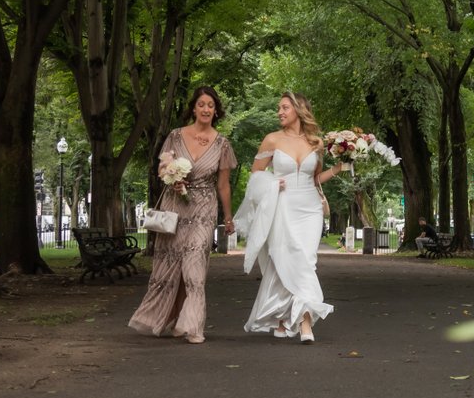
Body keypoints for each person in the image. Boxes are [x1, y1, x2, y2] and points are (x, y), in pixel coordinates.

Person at [128, 85, 238, 344]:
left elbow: (223, 185)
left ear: (216, 110)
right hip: (175, 206)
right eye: (201, 104)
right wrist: (171, 178)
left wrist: (229, 218)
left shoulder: (222, 144)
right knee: (170, 265)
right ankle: (170, 317)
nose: (206, 109)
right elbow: (162, 168)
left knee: (195, 267)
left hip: (204, 208)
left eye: (210, 105)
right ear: (193, 108)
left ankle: (193, 326)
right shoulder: (175, 136)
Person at [236, 92, 345, 344]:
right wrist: (273, 184)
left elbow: (315, 179)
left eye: (284, 107)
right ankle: (291, 320)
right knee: (284, 260)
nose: (280, 112)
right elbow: (256, 176)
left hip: (309, 209)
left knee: (305, 260)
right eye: (279, 108)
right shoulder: (271, 140)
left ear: (299, 109)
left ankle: (300, 320)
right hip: (282, 206)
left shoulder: (316, 142)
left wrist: (338, 168)